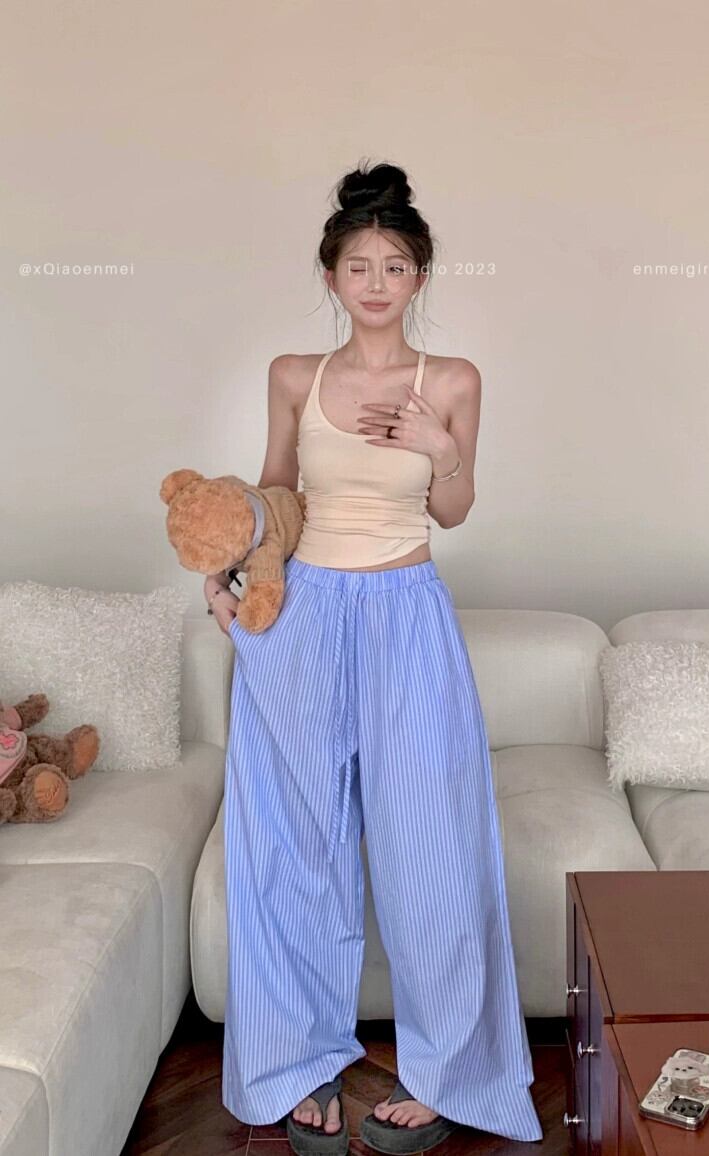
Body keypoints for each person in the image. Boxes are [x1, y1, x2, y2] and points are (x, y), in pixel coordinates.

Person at [204, 161, 544, 1155]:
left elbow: (454, 510)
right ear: (332, 276)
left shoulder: (453, 381)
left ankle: (449, 1073)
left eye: (396, 265)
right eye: (359, 265)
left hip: (406, 615)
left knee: (431, 847)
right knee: (292, 846)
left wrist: (440, 445)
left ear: (419, 275)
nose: (377, 283)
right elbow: (275, 493)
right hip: (302, 619)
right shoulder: (292, 376)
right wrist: (228, 576)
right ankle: (298, 1063)